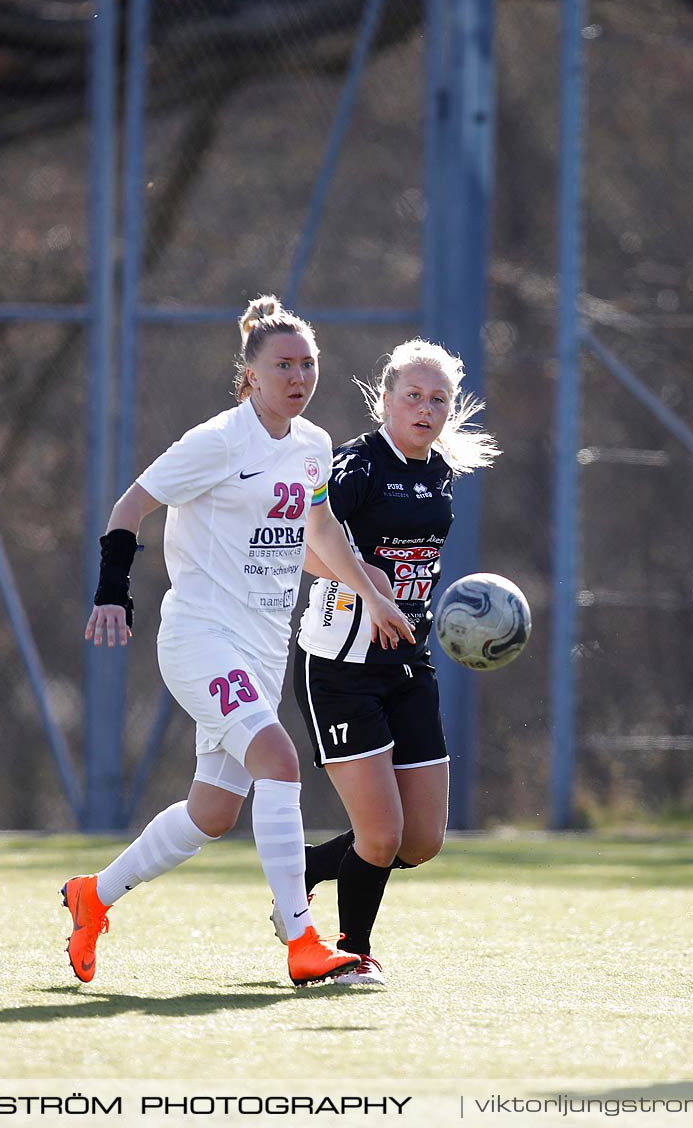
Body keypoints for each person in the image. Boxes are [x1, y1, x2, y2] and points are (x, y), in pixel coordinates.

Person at [63, 296, 415, 988]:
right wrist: (113, 591)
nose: (298, 375)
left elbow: (317, 535)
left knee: (212, 813)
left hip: (258, 649)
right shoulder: (220, 441)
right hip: (199, 639)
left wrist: (370, 592)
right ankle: (301, 941)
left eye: (308, 363)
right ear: (250, 374)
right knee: (278, 761)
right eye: (282, 364)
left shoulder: (313, 445)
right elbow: (131, 506)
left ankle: (93, 897)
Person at [272, 340, 500, 986]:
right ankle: (349, 952)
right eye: (412, 397)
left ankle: (311, 869)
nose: (425, 410)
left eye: (438, 401)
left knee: (419, 839)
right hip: (340, 668)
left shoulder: (439, 473)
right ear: (386, 399)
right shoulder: (357, 467)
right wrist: (368, 588)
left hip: (408, 664)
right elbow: (303, 543)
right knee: (380, 835)